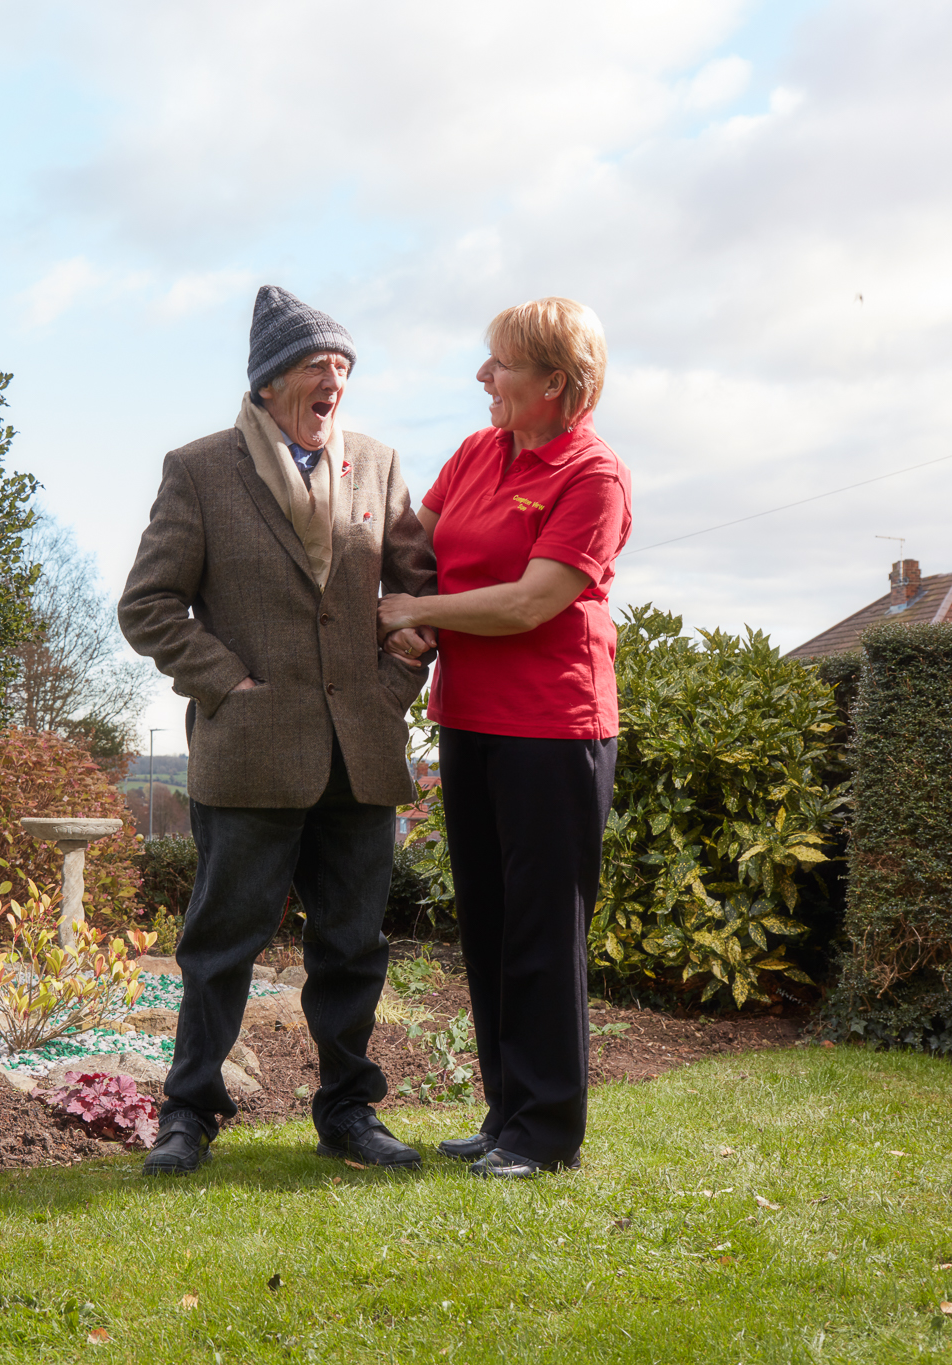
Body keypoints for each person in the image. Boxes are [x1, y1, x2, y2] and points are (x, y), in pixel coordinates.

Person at [118, 285, 439, 1175]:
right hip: (250, 753)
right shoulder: (199, 469)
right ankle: (189, 1112)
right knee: (219, 947)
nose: (334, 381)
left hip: (360, 754)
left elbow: (418, 597)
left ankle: (349, 1112)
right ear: (267, 381)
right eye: (315, 366)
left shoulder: (379, 465)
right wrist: (230, 683)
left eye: (343, 367)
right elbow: (148, 605)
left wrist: (392, 687)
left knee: (354, 946)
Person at [376, 297, 630, 1180]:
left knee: (542, 930)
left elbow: (531, 600)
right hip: (469, 718)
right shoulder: (478, 453)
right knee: (487, 925)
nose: (483, 375)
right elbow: (417, 546)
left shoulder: (593, 474)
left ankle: (546, 1130)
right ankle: (505, 1115)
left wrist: (416, 611)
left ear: (555, 382)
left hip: (553, 727)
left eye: (503, 363)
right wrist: (412, 615)